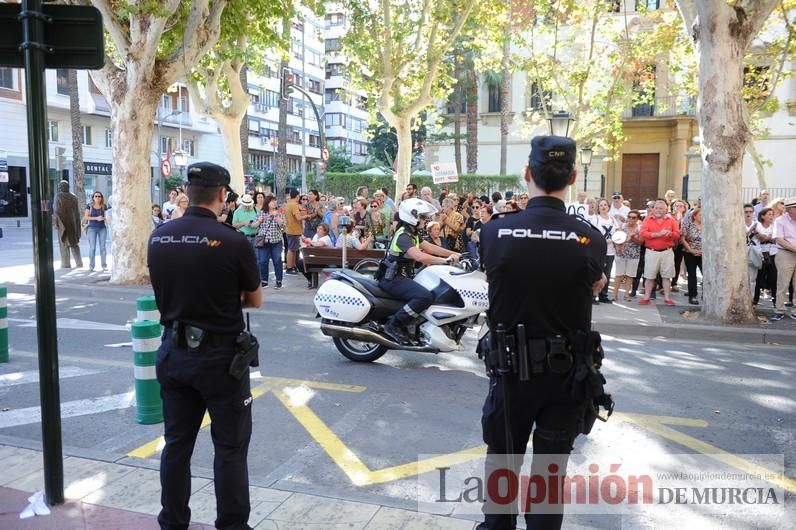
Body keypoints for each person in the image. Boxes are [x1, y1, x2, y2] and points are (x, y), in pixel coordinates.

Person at [476, 135, 609, 530]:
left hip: (511, 374)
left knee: (503, 463)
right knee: (550, 474)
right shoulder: (590, 239)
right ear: (572, 176)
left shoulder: (495, 232)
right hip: (565, 377)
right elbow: (595, 284)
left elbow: (497, 274)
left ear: (527, 174)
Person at [147, 161, 261, 530]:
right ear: (222, 195)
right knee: (229, 448)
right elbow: (254, 300)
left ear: (187, 194)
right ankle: (231, 526)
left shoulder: (159, 236)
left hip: (173, 351)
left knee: (176, 445)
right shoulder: (232, 240)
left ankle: (172, 523)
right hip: (220, 359)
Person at [378, 198, 460, 343]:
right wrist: (445, 261)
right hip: (393, 278)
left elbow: (430, 247)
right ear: (412, 217)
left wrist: (457, 255)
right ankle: (393, 325)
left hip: (403, 276)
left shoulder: (412, 233)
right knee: (424, 296)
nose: (425, 219)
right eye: (422, 217)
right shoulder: (403, 235)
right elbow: (419, 256)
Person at [639, 199, 680, 306]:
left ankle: (667, 298)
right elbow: (643, 233)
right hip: (651, 251)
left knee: (667, 276)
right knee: (649, 276)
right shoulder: (647, 219)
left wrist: (670, 234)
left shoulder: (671, 220)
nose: (657, 210)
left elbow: (677, 235)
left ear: (666, 209)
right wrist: (658, 234)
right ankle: (646, 297)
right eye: (656, 208)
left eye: (661, 208)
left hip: (667, 252)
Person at [771, 197, 796, 321]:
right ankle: (779, 309)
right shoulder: (780, 221)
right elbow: (779, 239)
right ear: (790, 210)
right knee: (783, 283)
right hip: (785, 254)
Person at [254, 195, 285, 289]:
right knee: (262, 261)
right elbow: (254, 225)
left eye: (275, 201)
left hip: (276, 241)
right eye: (272, 201)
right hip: (264, 242)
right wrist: (259, 221)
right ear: (267, 203)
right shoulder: (261, 213)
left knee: (277, 261)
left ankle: (278, 281)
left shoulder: (280, 212)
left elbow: (283, 225)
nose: (275, 203)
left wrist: (277, 217)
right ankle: (264, 281)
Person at [53, 180, 83, 269]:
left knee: (64, 244)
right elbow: (77, 212)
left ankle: (65, 264)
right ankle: (79, 263)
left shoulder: (59, 196)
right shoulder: (74, 197)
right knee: (74, 243)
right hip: (73, 224)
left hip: (63, 223)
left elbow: (56, 210)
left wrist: (55, 223)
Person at [680, 207, 703, 305]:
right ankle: (692, 295)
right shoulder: (687, 224)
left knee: (706, 274)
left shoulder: (708, 225)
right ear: (694, 216)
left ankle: (706, 294)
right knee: (692, 274)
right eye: (701, 215)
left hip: (703, 253)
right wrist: (691, 250)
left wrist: (702, 251)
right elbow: (683, 238)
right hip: (689, 252)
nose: (703, 217)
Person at [84, 190, 109, 272]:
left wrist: (104, 218)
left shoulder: (104, 206)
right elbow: (86, 217)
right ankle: (91, 266)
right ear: (93, 198)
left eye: (99, 196)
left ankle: (104, 265)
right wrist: (96, 218)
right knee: (92, 248)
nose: (98, 198)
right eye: (96, 196)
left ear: (101, 198)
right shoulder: (89, 206)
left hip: (102, 228)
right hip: (92, 228)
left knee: (103, 248)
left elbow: (107, 218)